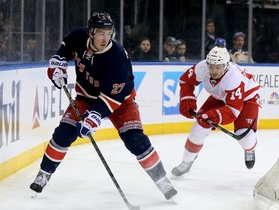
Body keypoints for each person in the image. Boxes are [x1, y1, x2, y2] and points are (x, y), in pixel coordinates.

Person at [30, 12, 177, 200]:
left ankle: (162, 179)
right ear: (91, 32)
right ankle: (44, 174)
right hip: (86, 97)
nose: (105, 38)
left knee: (136, 140)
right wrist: (57, 66)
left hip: (121, 101)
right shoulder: (78, 37)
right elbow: (66, 49)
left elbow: (111, 98)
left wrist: (93, 117)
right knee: (63, 134)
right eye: (101, 33)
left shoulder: (117, 57)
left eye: (109, 33)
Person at [171, 46, 260, 178]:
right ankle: (187, 161)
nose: (213, 70)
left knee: (245, 138)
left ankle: (249, 149)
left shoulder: (233, 78)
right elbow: (186, 81)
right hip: (223, 96)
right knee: (199, 126)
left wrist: (213, 116)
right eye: (211, 66)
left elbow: (233, 110)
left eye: (218, 67)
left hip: (247, 99)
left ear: (226, 65)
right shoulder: (202, 67)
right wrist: (186, 98)